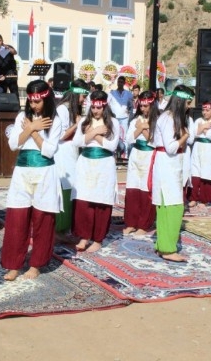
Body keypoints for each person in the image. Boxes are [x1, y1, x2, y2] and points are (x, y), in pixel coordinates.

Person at [1, 79, 62, 281]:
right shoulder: (21, 117)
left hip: (45, 172)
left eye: (38, 101)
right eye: (31, 101)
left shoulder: (55, 119)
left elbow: (49, 150)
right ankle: (13, 265)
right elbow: (13, 144)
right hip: (22, 172)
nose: (34, 105)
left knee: (43, 220)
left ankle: (36, 264)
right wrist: (29, 127)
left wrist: (34, 131)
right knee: (17, 219)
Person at [72, 90, 120, 252]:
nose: (95, 111)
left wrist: (96, 135)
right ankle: (84, 236)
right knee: (84, 200)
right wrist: (93, 131)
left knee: (101, 201)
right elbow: (77, 142)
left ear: (104, 106)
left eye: (99, 108)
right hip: (85, 163)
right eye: (93, 108)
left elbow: (111, 146)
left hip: (104, 165)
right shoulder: (84, 122)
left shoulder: (113, 122)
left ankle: (98, 239)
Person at [148, 87, 192, 262]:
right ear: (181, 102)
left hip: (170, 165)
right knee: (172, 206)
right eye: (188, 103)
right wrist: (185, 136)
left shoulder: (172, 118)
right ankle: (167, 249)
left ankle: (163, 245)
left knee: (169, 205)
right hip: (167, 164)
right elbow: (171, 147)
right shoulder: (168, 119)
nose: (189, 107)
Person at [54, 79, 89, 242]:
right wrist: (77, 125)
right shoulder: (62, 109)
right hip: (63, 152)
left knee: (72, 188)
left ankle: (66, 227)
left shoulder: (73, 109)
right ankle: (59, 229)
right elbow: (60, 135)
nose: (84, 100)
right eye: (83, 96)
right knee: (65, 188)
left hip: (72, 151)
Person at [123, 90, 158, 236]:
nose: (143, 109)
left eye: (146, 106)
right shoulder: (135, 120)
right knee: (133, 188)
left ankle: (144, 224)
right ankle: (131, 222)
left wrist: (143, 128)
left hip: (149, 156)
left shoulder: (158, 121)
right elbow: (129, 138)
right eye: (141, 106)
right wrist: (140, 127)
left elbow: (155, 141)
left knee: (145, 189)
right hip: (136, 155)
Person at [189, 101, 211, 209]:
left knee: (207, 174)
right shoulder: (199, 120)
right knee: (195, 173)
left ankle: (205, 199)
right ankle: (193, 198)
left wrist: (205, 131)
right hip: (198, 148)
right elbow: (194, 133)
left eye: (207, 110)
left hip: (210, 150)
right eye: (203, 110)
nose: (205, 113)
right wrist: (203, 127)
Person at [109, 76, 132, 158]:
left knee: (124, 137)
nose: (120, 83)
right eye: (119, 81)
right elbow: (107, 105)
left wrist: (128, 111)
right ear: (117, 82)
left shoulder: (129, 94)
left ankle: (124, 156)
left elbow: (131, 105)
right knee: (114, 135)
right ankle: (113, 155)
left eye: (122, 82)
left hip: (125, 118)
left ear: (124, 83)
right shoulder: (112, 93)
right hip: (115, 118)